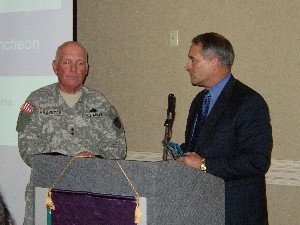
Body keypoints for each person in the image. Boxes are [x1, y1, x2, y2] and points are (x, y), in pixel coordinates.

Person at [16, 41, 127, 224]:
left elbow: (118, 147)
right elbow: (27, 147)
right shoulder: (35, 101)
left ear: (87, 69)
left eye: (80, 63)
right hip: (47, 194)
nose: (74, 69)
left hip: (89, 197)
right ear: (55, 67)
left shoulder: (101, 103)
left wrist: (94, 159)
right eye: (67, 62)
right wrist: (66, 163)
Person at [176, 32, 272, 225]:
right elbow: (202, 145)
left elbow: (257, 160)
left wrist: (204, 165)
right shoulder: (199, 101)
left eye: (192, 60)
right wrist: (180, 155)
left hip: (236, 214)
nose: (187, 66)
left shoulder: (249, 102)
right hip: (201, 210)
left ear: (214, 62)